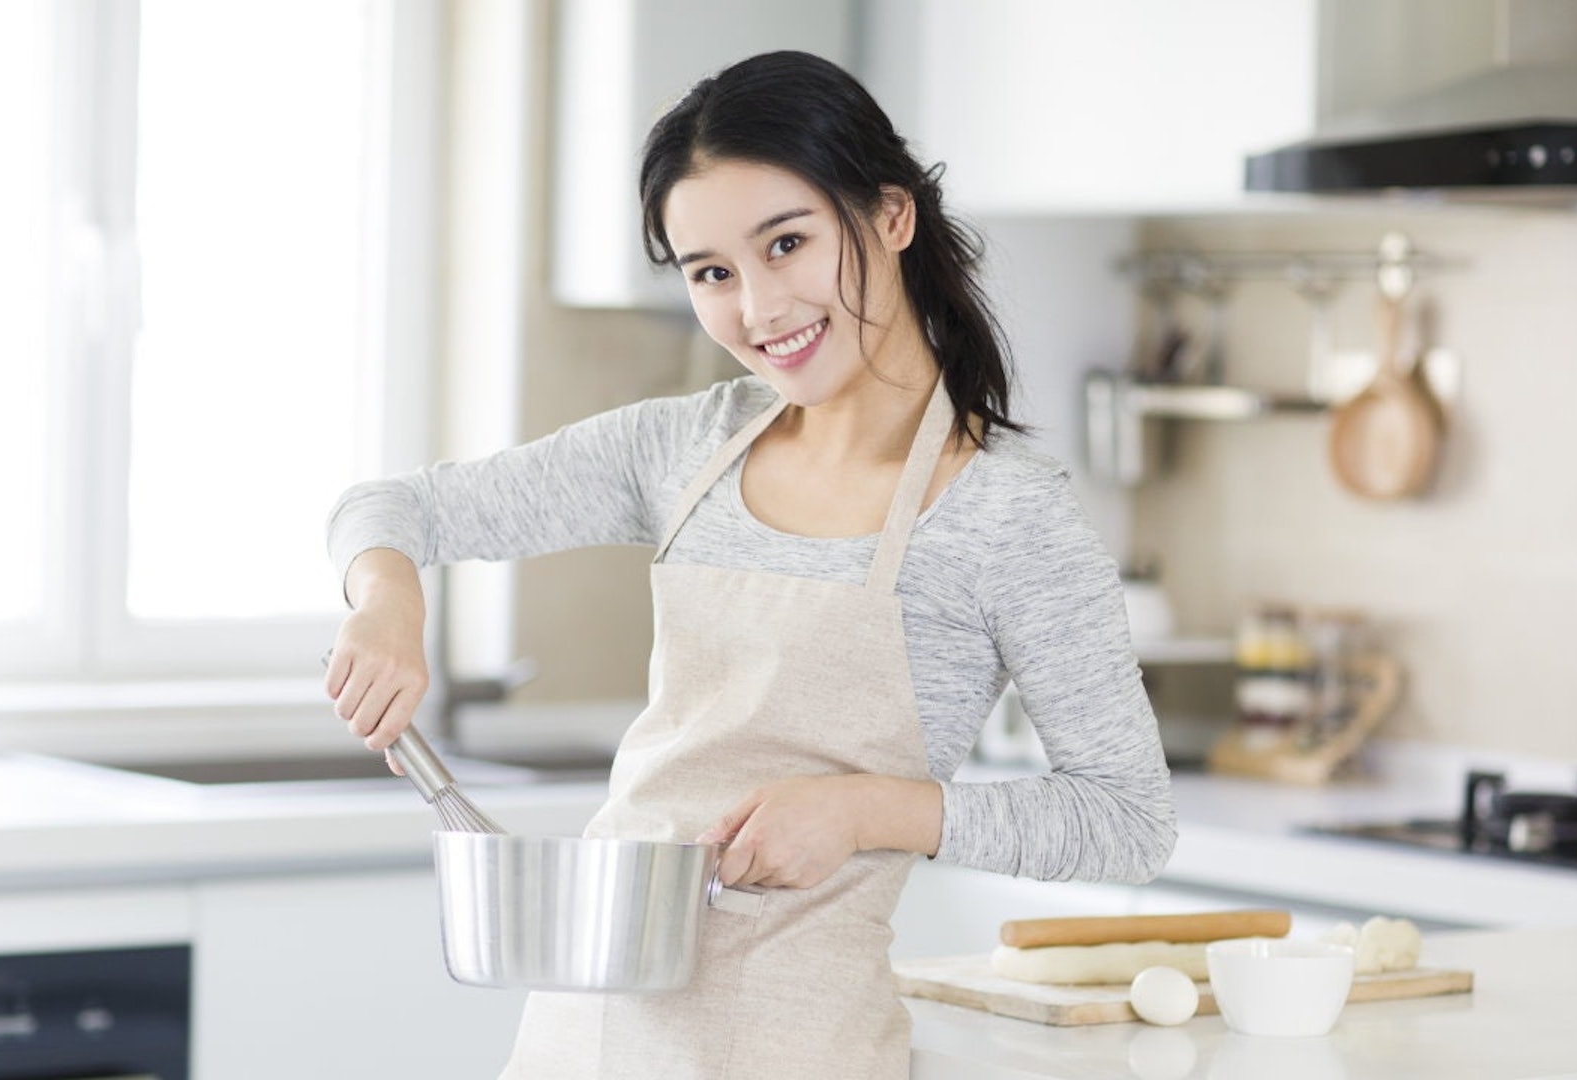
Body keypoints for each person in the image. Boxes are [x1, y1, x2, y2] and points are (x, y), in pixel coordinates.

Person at [323, 50, 1175, 1080]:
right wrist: (387, 601)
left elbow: (1127, 819)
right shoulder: (684, 448)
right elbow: (392, 507)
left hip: (798, 1042)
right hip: (584, 1038)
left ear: (892, 216)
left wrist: (867, 810)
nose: (760, 309)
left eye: (787, 244)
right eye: (712, 273)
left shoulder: (1004, 511)